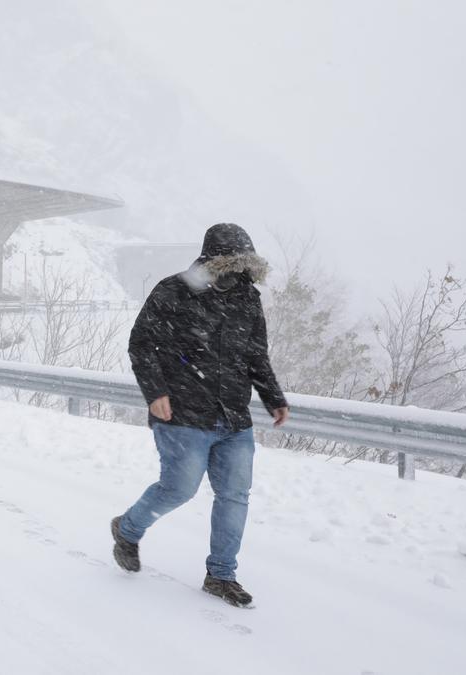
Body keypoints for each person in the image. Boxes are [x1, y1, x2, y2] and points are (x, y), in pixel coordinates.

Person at [111, 223, 290, 608]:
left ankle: (221, 575)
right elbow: (142, 343)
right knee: (178, 489)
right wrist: (155, 392)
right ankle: (127, 529)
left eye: (244, 266)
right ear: (212, 261)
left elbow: (256, 353)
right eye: (231, 264)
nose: (237, 273)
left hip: (233, 418)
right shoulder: (174, 291)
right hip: (182, 413)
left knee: (234, 496)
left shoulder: (247, 298)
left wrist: (273, 396)